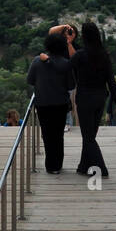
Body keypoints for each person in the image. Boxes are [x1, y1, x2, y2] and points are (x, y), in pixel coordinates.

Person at [71, 20, 116, 179]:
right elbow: (111, 79)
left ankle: (102, 168)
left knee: (88, 136)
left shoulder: (80, 55)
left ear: (84, 36)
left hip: (85, 98)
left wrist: (68, 43)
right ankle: (83, 166)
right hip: (100, 98)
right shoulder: (104, 55)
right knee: (90, 134)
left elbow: (66, 67)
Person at [26, 31, 74, 173]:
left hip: (43, 103)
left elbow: (29, 80)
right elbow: (71, 85)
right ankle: (57, 165)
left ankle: (50, 165)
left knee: (47, 134)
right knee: (58, 134)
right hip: (60, 104)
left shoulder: (37, 61)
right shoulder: (66, 64)